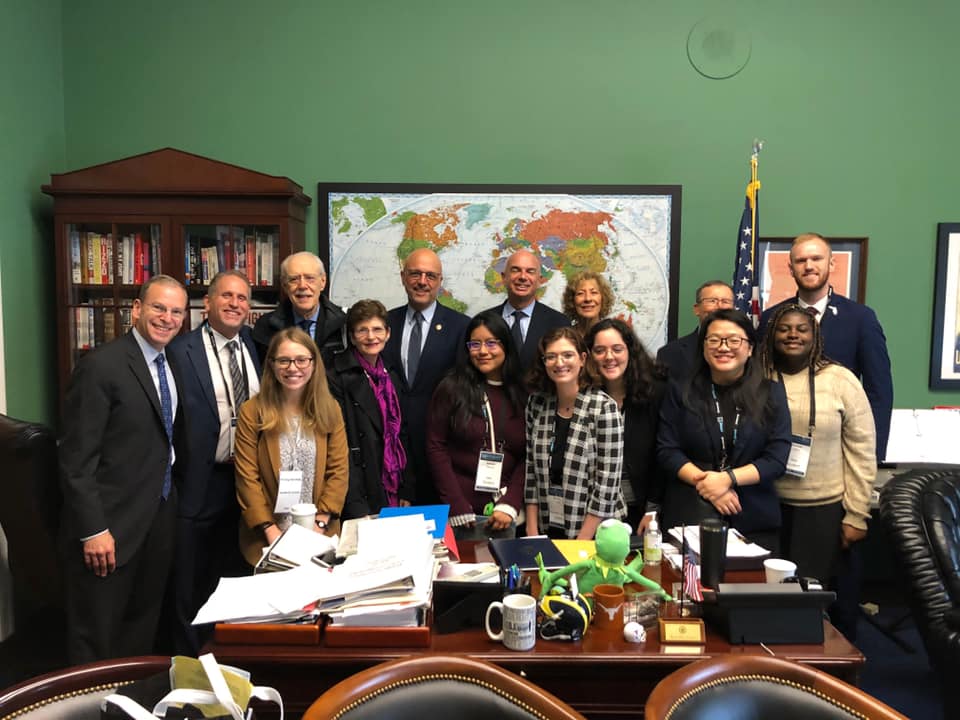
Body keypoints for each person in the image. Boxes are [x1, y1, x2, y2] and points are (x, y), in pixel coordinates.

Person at [59, 275, 188, 663]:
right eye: (158, 308)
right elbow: (76, 458)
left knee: (142, 628)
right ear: (136, 309)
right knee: (97, 637)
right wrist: (94, 530)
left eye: (176, 311)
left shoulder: (173, 363)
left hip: (159, 516)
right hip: (110, 527)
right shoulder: (102, 365)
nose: (167, 318)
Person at [759, 303, 876, 634]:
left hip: (823, 509)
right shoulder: (757, 375)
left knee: (813, 599)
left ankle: (819, 675)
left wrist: (856, 514)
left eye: (802, 329)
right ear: (771, 335)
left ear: (815, 336)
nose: (793, 334)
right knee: (767, 599)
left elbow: (862, 451)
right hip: (768, 508)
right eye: (784, 329)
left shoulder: (841, 380)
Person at [166, 270, 261, 654]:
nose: (235, 304)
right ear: (207, 303)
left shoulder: (255, 346)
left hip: (247, 484)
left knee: (236, 574)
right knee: (190, 579)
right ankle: (188, 662)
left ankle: (228, 658)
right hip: (200, 482)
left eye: (242, 298)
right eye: (226, 296)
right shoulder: (179, 351)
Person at [657, 309, 791, 553]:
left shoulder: (771, 393)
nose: (723, 347)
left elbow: (777, 458)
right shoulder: (681, 390)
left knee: (749, 588)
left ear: (750, 348)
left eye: (734, 340)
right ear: (704, 346)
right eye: (714, 339)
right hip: (690, 512)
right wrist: (709, 487)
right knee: (690, 589)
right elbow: (667, 449)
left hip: (753, 515)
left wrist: (726, 479)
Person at [759, 233, 892, 462]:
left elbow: (878, 391)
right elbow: (758, 381)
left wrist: (873, 455)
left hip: (840, 447)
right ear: (791, 268)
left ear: (831, 263)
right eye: (801, 261)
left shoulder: (861, 319)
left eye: (816, 259)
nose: (809, 266)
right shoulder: (772, 318)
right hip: (779, 445)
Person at [234, 327, 348, 567]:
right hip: (267, 537)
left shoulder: (330, 409)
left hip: (321, 535)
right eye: (284, 360)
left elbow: (338, 472)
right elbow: (247, 478)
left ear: (314, 364)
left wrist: (318, 526)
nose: (293, 368)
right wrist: (272, 531)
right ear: (272, 365)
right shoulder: (252, 411)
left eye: (301, 360)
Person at [426, 312, 527, 540]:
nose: (483, 351)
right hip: (462, 516)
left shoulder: (522, 393)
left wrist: (510, 503)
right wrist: (456, 505)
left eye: (492, 343)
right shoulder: (451, 388)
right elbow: (435, 446)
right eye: (475, 344)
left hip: (505, 514)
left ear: (506, 346)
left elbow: (528, 456)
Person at [382, 248, 470, 505]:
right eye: (415, 274)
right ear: (402, 277)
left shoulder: (461, 327)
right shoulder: (385, 324)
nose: (422, 281)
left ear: (440, 282)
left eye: (431, 275)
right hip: (392, 451)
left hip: (441, 453)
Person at [524, 326, 624, 540]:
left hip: (597, 533)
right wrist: (532, 532)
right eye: (551, 357)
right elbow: (531, 470)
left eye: (567, 355)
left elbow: (607, 485)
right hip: (548, 524)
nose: (559, 363)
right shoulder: (537, 403)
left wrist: (580, 543)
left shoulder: (603, 408)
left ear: (582, 359)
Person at [327, 299, 413, 520]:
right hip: (360, 487)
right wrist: (357, 505)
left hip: (392, 484)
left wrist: (406, 487)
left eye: (377, 329)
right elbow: (340, 446)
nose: (371, 337)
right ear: (353, 336)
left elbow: (401, 433)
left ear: (388, 333)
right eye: (362, 330)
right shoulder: (336, 376)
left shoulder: (391, 372)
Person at [585, 318, 668, 532]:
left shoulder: (655, 393)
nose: (609, 357)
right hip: (592, 512)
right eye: (600, 350)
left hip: (641, 510)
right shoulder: (583, 397)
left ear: (630, 351)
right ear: (589, 356)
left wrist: (652, 510)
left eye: (617, 349)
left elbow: (664, 455)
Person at [252, 251, 346, 366]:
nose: (302, 285)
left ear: (322, 282)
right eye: (294, 279)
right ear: (284, 285)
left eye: (310, 278)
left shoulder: (343, 324)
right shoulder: (266, 327)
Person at [485, 249, 570, 371]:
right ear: (504, 278)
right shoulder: (485, 321)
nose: (523, 277)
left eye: (530, 271)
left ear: (540, 280)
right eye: (515, 270)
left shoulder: (559, 323)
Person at [657, 280, 734, 381]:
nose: (719, 307)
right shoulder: (670, 353)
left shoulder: (745, 351)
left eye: (725, 301)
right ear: (696, 309)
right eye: (712, 301)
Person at [562, 270, 614, 337]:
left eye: (594, 293)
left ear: (603, 298)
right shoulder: (564, 337)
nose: (588, 299)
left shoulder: (612, 336)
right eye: (580, 293)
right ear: (572, 300)